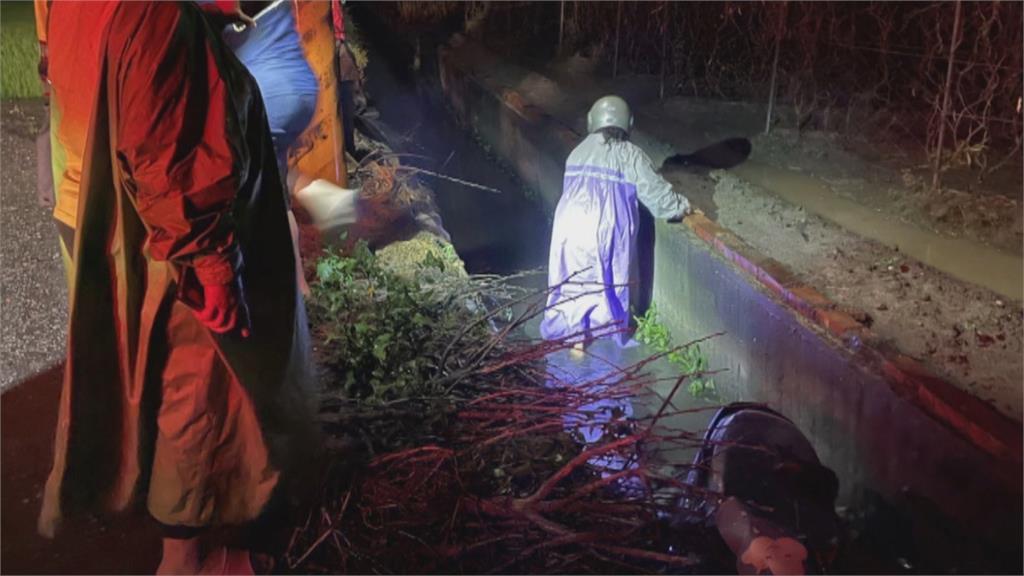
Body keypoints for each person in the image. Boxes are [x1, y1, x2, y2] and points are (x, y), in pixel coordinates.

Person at [37, 3, 315, 574]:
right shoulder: (155, 14)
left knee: (163, 388)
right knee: (200, 400)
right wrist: (215, 272)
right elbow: (169, 156)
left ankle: (210, 545)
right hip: (173, 247)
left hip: (122, 222)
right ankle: (188, 555)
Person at [540, 96, 691, 349]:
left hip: (568, 226)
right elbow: (659, 199)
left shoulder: (577, 152)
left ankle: (574, 333)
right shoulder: (630, 155)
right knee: (607, 280)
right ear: (627, 124)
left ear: (592, 121)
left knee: (572, 280)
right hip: (605, 228)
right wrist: (682, 207)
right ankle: (601, 331)